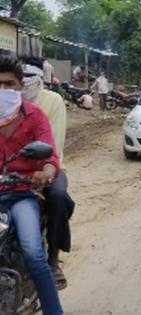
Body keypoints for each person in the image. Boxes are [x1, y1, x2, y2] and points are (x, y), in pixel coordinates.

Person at [0, 54, 64, 314]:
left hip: (20, 195)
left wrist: (46, 170)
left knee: (34, 254)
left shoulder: (35, 115)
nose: (3, 90)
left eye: (9, 84)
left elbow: (49, 154)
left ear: (20, 86)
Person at [21, 56, 75, 290]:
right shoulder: (6, 103)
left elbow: (53, 145)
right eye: (17, 79)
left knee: (57, 196)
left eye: (29, 78)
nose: (23, 84)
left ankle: (53, 258)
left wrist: (45, 169)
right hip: (9, 170)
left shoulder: (52, 102)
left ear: (41, 78)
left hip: (48, 168)